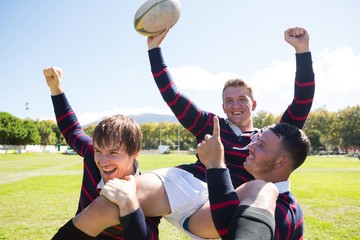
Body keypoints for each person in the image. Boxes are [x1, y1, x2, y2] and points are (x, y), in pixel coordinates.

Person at [53, 26, 315, 239]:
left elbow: (301, 102)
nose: (235, 105)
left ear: (253, 104)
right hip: (182, 182)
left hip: (218, 202)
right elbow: (172, 95)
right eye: (229, 100)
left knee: (257, 192)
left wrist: (302, 52)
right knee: (110, 201)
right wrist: (154, 49)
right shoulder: (211, 124)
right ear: (222, 106)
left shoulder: (271, 139)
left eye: (242, 99)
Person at [43, 67, 161, 240]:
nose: (103, 161)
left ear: (134, 153)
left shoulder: (148, 190)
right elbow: (72, 130)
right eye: (99, 150)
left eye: (113, 153)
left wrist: (130, 206)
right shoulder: (92, 154)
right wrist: (56, 89)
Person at [197, 116, 311, 240]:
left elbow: (232, 232)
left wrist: (215, 165)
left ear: (281, 162)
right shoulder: (264, 197)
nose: (250, 146)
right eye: (256, 139)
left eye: (261, 145)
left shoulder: (282, 213)